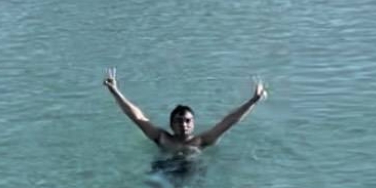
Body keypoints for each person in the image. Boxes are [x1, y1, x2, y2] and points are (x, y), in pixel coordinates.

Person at [103, 68, 267, 154]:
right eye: (179, 120)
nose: (183, 124)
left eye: (187, 120)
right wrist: (114, 91)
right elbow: (136, 117)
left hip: (191, 177)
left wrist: (253, 100)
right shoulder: (162, 137)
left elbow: (229, 121)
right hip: (162, 174)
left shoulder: (202, 141)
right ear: (171, 124)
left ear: (193, 123)